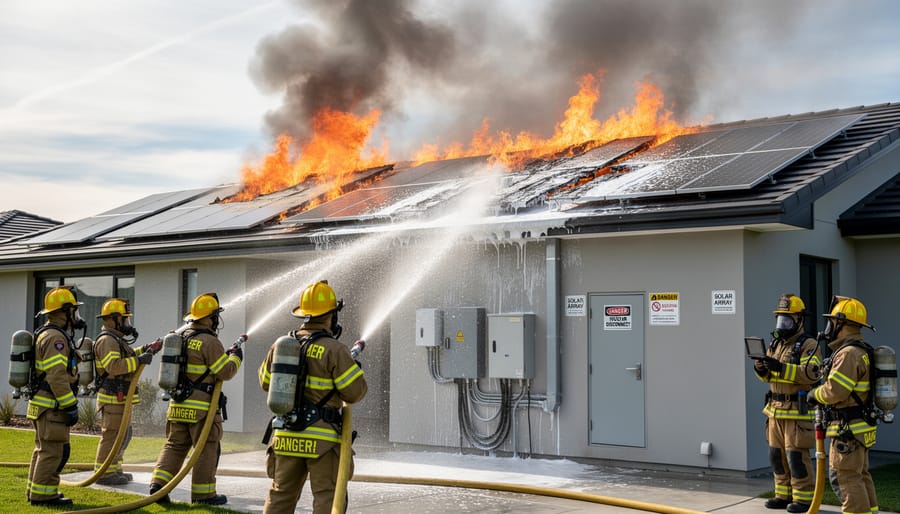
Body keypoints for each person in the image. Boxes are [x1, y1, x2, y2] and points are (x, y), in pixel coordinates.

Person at [258, 280, 367, 514]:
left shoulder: (282, 345)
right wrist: (354, 369)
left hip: (285, 437)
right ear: (331, 315)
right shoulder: (335, 350)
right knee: (328, 498)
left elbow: (265, 382)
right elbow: (355, 393)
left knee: (280, 495)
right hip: (322, 442)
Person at [149, 292, 242, 505]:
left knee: (174, 445)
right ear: (211, 317)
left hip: (177, 405)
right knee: (206, 448)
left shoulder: (181, 338)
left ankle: (158, 485)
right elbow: (224, 372)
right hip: (202, 409)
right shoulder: (209, 341)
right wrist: (236, 357)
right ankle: (204, 495)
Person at [808, 296, 878, 514]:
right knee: (860, 476)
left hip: (847, 429)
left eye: (832, 322)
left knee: (845, 478)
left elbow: (835, 391)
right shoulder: (862, 350)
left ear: (841, 323)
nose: (829, 327)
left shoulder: (848, 354)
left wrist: (814, 394)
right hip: (859, 427)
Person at [753, 293, 821, 513]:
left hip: (796, 413)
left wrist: (779, 367)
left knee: (796, 458)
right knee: (776, 456)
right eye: (780, 320)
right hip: (775, 412)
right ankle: (782, 495)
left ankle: (804, 500)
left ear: (799, 320)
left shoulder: (808, 344)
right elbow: (768, 378)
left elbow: (811, 374)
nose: (783, 325)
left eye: (787, 320)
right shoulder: (776, 343)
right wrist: (761, 369)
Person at [26, 286, 86, 507]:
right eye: (74, 312)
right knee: (53, 451)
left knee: (43, 450)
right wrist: (70, 405)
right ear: (65, 311)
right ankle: (43, 495)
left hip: (43, 404)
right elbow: (57, 376)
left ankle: (36, 491)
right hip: (52, 405)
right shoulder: (55, 339)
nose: (77, 317)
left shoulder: (47, 333)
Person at [92, 298, 161, 486]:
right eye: (125, 320)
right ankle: (104, 473)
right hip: (112, 398)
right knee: (112, 434)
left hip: (120, 397)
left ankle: (115, 469)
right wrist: (139, 361)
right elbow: (114, 366)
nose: (128, 324)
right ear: (115, 319)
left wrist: (146, 350)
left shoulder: (116, 340)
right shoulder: (107, 340)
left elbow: (127, 356)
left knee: (123, 434)